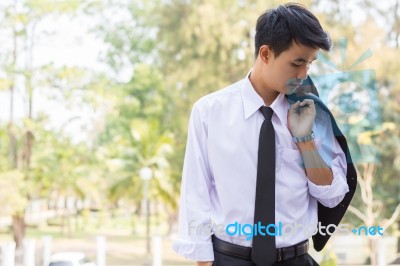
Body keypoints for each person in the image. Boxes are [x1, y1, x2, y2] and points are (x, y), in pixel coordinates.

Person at [173, 3, 356, 265]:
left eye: (310, 64)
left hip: (295, 259)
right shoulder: (209, 112)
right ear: (266, 53)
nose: (303, 74)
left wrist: (305, 140)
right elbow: (196, 195)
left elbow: (333, 195)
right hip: (229, 259)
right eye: (297, 62)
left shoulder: (314, 112)